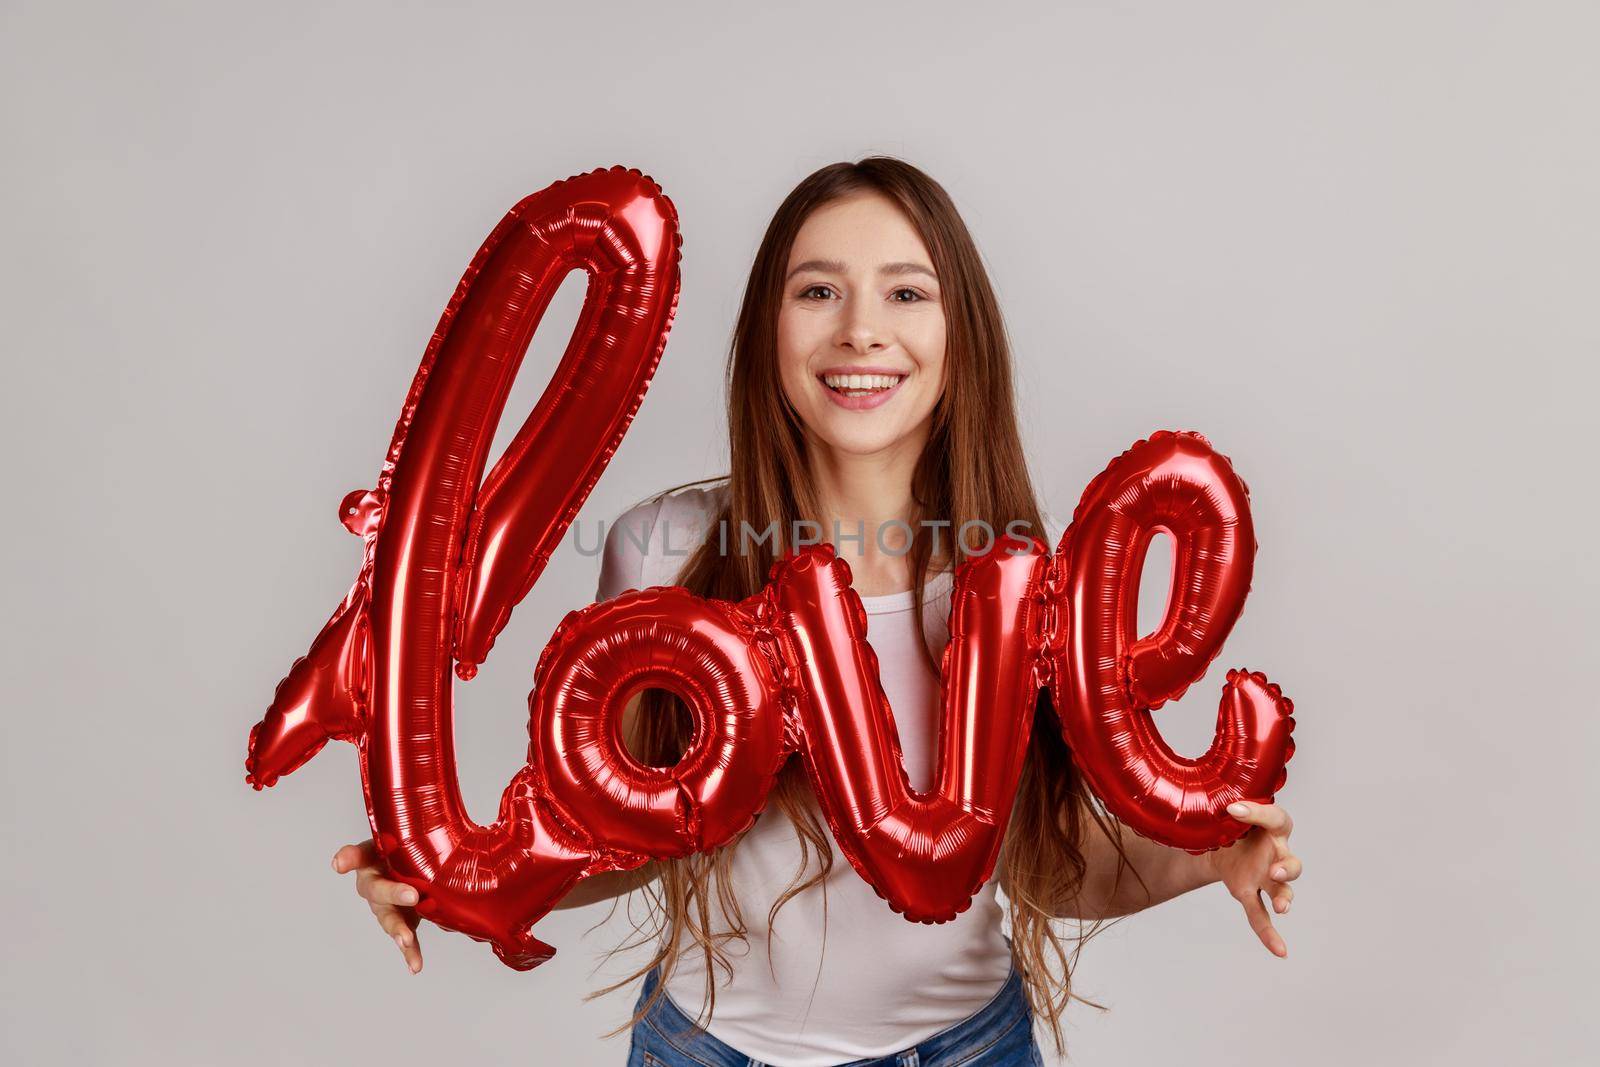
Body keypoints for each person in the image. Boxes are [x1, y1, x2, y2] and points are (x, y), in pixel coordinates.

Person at [331, 157, 1303, 1066]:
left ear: (960, 335)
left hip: (968, 1048)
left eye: (905, 291)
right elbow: (618, 837)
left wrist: (1210, 856)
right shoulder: (663, 547)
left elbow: (1044, 862)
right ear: (769, 328)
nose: (859, 330)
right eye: (817, 290)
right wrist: (459, 876)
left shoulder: (1013, 576)